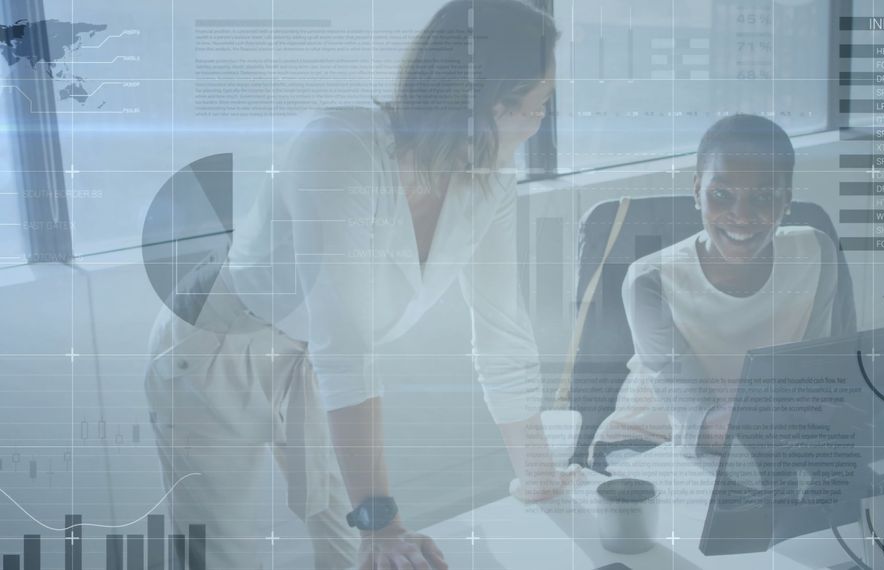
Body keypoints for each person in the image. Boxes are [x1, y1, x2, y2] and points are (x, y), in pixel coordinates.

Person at [145, 2, 571, 569]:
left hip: (313, 360)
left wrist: (538, 476)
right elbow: (344, 343)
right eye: (537, 105)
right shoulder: (340, 147)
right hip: (219, 350)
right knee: (227, 553)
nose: (541, 120)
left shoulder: (489, 185)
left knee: (350, 552)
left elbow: (502, 335)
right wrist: (385, 523)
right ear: (488, 102)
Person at [590, 114, 854, 470]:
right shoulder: (649, 280)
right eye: (721, 194)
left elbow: (828, 377)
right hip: (652, 445)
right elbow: (699, 420)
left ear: (786, 199)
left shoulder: (818, 253)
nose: (741, 215)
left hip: (767, 443)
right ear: (697, 190)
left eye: (763, 196)